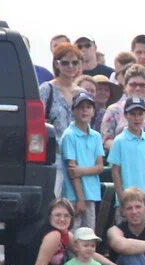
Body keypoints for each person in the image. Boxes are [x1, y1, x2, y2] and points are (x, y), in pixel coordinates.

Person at [27, 198, 129, 265]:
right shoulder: (54, 235)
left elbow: (89, 253)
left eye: (66, 216)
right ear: (49, 217)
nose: (62, 219)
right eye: (58, 215)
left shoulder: (66, 234)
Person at [41, 42, 84, 197]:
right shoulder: (46, 89)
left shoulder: (82, 93)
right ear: (56, 64)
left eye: (75, 62)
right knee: (55, 200)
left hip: (78, 157)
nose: (70, 66)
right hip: (55, 156)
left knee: (78, 204)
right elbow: (38, 123)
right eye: (65, 62)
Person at [107, 97, 145, 210]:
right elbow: (115, 171)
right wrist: (122, 198)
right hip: (127, 201)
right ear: (126, 115)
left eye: (140, 114)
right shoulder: (119, 141)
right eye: (132, 114)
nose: (137, 118)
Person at [60, 92, 105, 229]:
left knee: (89, 234)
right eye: (80, 107)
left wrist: (81, 171)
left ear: (93, 111)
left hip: (91, 193)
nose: (84, 110)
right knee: (74, 233)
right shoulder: (69, 135)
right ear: (73, 110)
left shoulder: (96, 136)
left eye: (88, 107)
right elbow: (72, 171)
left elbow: (100, 167)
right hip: (74, 195)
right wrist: (80, 198)